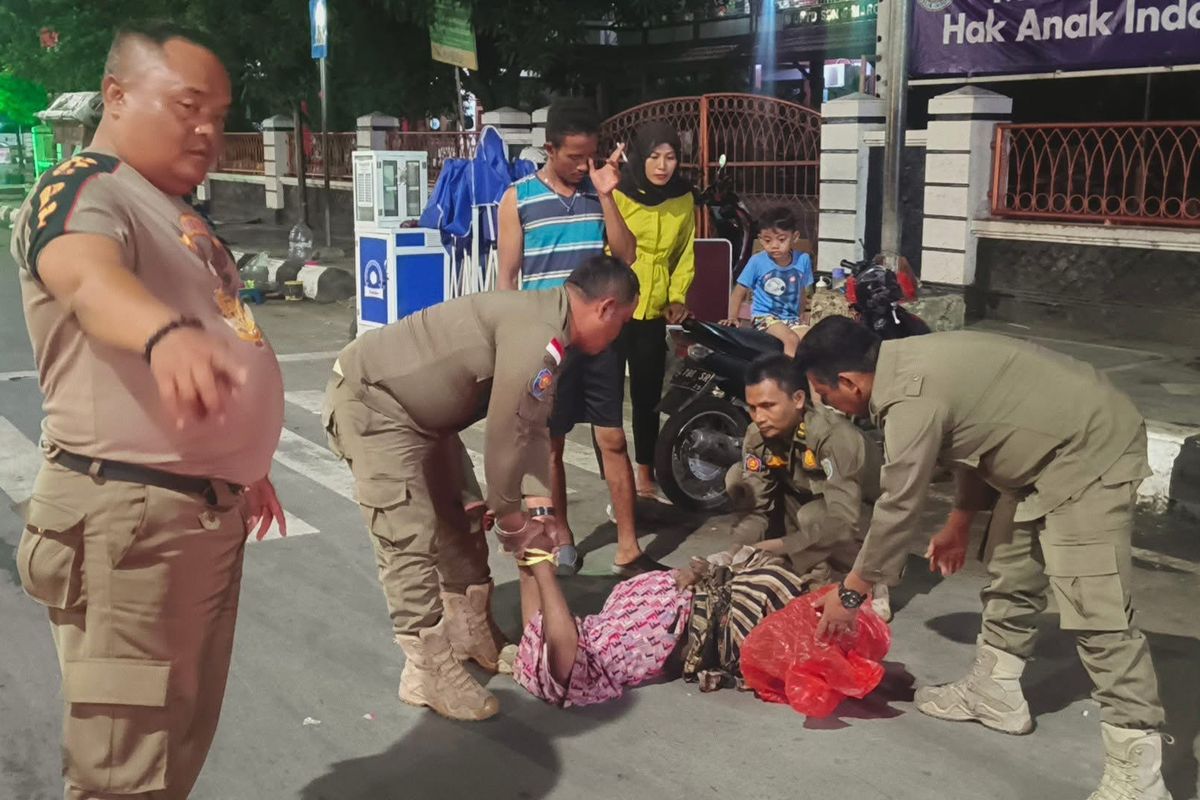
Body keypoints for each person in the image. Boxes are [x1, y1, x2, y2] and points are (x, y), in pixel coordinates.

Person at [10, 23, 286, 799]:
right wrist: (163, 338)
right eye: (189, 104)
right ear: (117, 96)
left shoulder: (167, 206)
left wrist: (244, 463)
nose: (209, 128)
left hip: (198, 508)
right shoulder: (83, 187)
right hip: (128, 519)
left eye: (220, 112)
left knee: (176, 740)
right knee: (125, 770)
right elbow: (86, 277)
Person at [796, 317, 1172, 800]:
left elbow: (898, 506)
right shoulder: (908, 361)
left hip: (1091, 450)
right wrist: (960, 518)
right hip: (1043, 452)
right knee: (1012, 567)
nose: (830, 406)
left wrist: (852, 592)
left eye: (826, 395)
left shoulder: (908, 397)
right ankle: (996, 691)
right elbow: (976, 438)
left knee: (1096, 609)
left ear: (850, 381)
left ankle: (1138, 772)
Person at [323, 256, 639, 722]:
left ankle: (470, 631)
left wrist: (539, 509)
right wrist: (513, 519)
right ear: (607, 308)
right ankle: (425, 669)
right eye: (624, 323)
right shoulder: (538, 334)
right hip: (376, 405)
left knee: (463, 516)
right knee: (408, 533)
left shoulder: (551, 331)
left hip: (427, 420)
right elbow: (503, 437)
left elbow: (531, 430)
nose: (619, 336)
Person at [498, 99, 661, 577]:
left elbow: (627, 255)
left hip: (600, 340)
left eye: (591, 156)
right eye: (574, 156)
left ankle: (628, 545)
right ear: (549, 148)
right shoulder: (519, 198)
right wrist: (510, 344)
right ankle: (561, 536)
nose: (584, 166)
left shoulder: (598, 192)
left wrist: (607, 194)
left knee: (613, 438)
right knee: (550, 443)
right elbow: (507, 277)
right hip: (545, 343)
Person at [724, 354, 893, 620]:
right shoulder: (757, 437)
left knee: (815, 515)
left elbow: (843, 519)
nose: (759, 417)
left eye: (768, 405)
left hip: (864, 518)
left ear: (798, 400)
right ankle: (810, 568)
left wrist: (780, 545)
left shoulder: (834, 438)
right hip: (808, 506)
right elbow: (757, 507)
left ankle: (869, 579)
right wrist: (734, 553)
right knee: (738, 478)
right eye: (753, 408)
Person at [612, 121, 696, 501]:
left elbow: (685, 253)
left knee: (647, 397)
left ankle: (644, 475)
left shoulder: (682, 198)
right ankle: (615, 478)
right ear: (639, 156)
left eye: (671, 157)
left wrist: (677, 296)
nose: (663, 166)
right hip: (612, 304)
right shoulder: (618, 194)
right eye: (654, 156)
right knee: (607, 397)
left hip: (654, 309)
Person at [720, 206, 814, 357]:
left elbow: (802, 291)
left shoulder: (803, 260)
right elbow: (739, 291)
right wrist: (732, 317)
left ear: (795, 237)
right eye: (768, 240)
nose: (774, 245)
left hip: (791, 319)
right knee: (791, 339)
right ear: (760, 239)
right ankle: (787, 377)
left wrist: (801, 315)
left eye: (781, 239)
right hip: (764, 318)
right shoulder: (757, 261)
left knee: (814, 341)